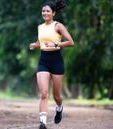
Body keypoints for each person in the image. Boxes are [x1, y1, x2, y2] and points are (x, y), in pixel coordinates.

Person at [29, 0, 74, 128]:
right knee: (43, 93)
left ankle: (59, 108)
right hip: (43, 60)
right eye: (43, 11)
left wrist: (56, 44)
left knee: (56, 95)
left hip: (56, 61)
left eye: (48, 11)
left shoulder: (58, 26)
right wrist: (35, 45)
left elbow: (71, 42)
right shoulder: (40, 27)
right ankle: (42, 122)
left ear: (53, 13)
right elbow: (41, 42)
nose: (45, 13)